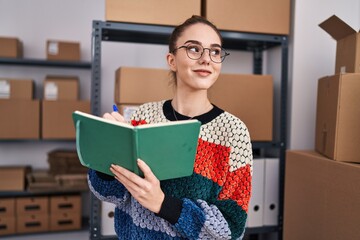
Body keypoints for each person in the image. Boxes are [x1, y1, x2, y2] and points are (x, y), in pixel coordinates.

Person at [88, 15, 253, 240]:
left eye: (215, 51)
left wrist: (164, 204)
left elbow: (232, 228)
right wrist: (106, 151)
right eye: (194, 49)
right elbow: (110, 194)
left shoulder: (234, 132)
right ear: (171, 60)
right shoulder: (144, 116)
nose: (206, 59)